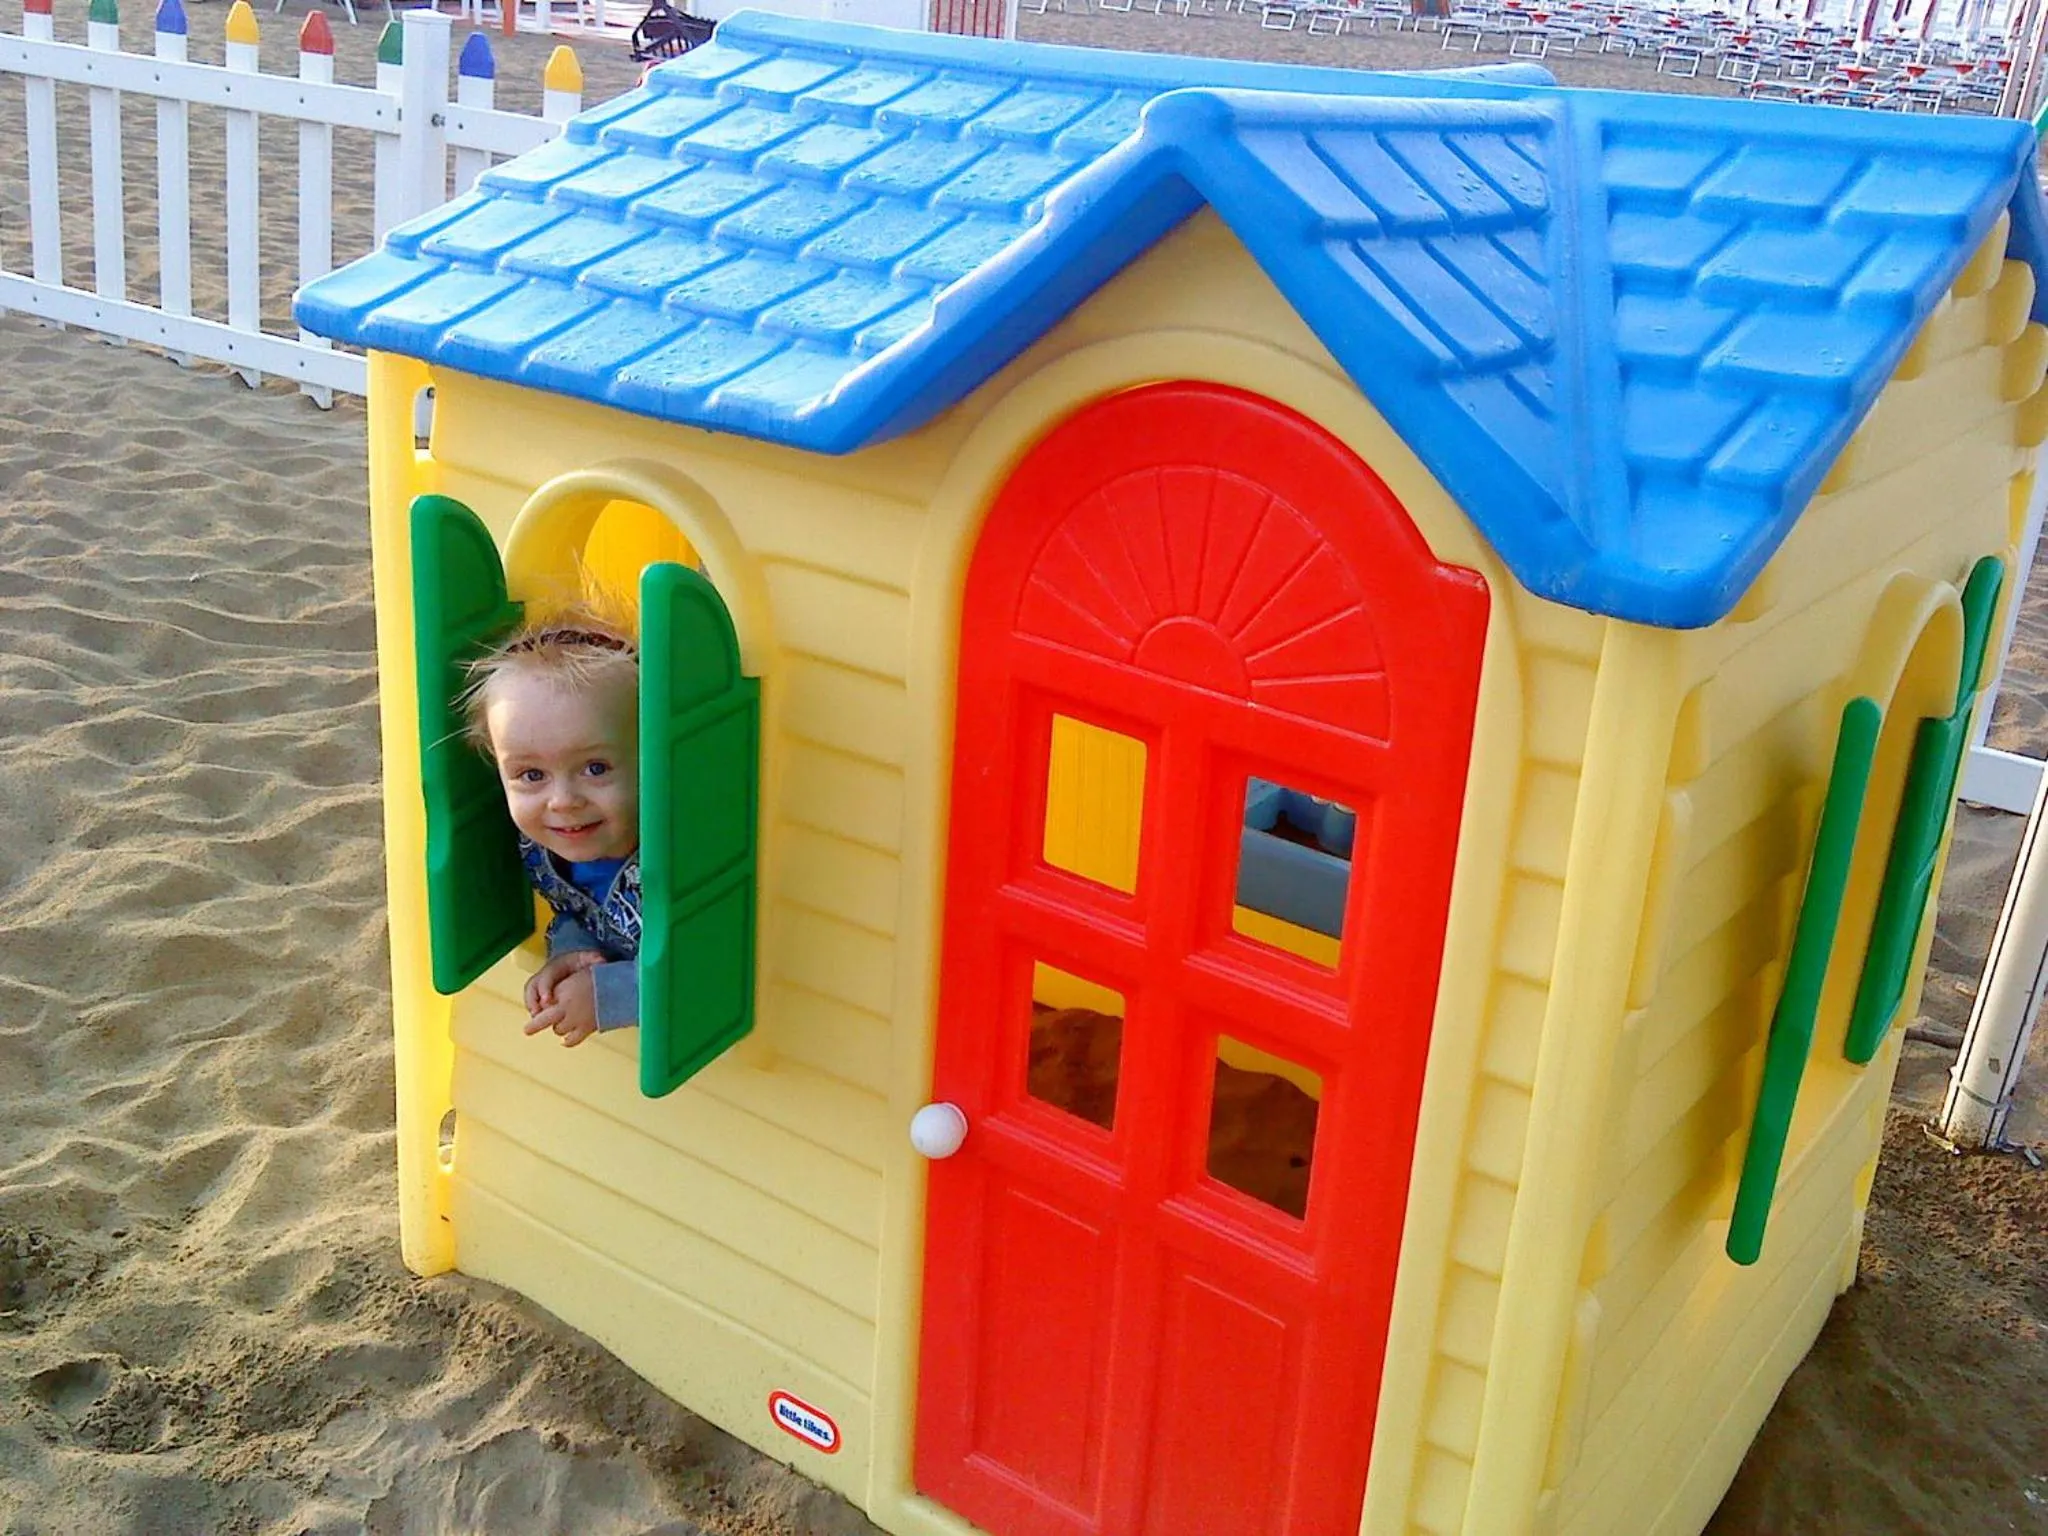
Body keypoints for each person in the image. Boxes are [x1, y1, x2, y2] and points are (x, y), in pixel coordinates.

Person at [462, 611, 641, 1048]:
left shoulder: (680, 854)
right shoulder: (543, 850)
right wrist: (570, 951)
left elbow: (709, 965)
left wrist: (609, 995)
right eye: (531, 775)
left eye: (595, 768)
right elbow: (578, 911)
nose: (562, 800)